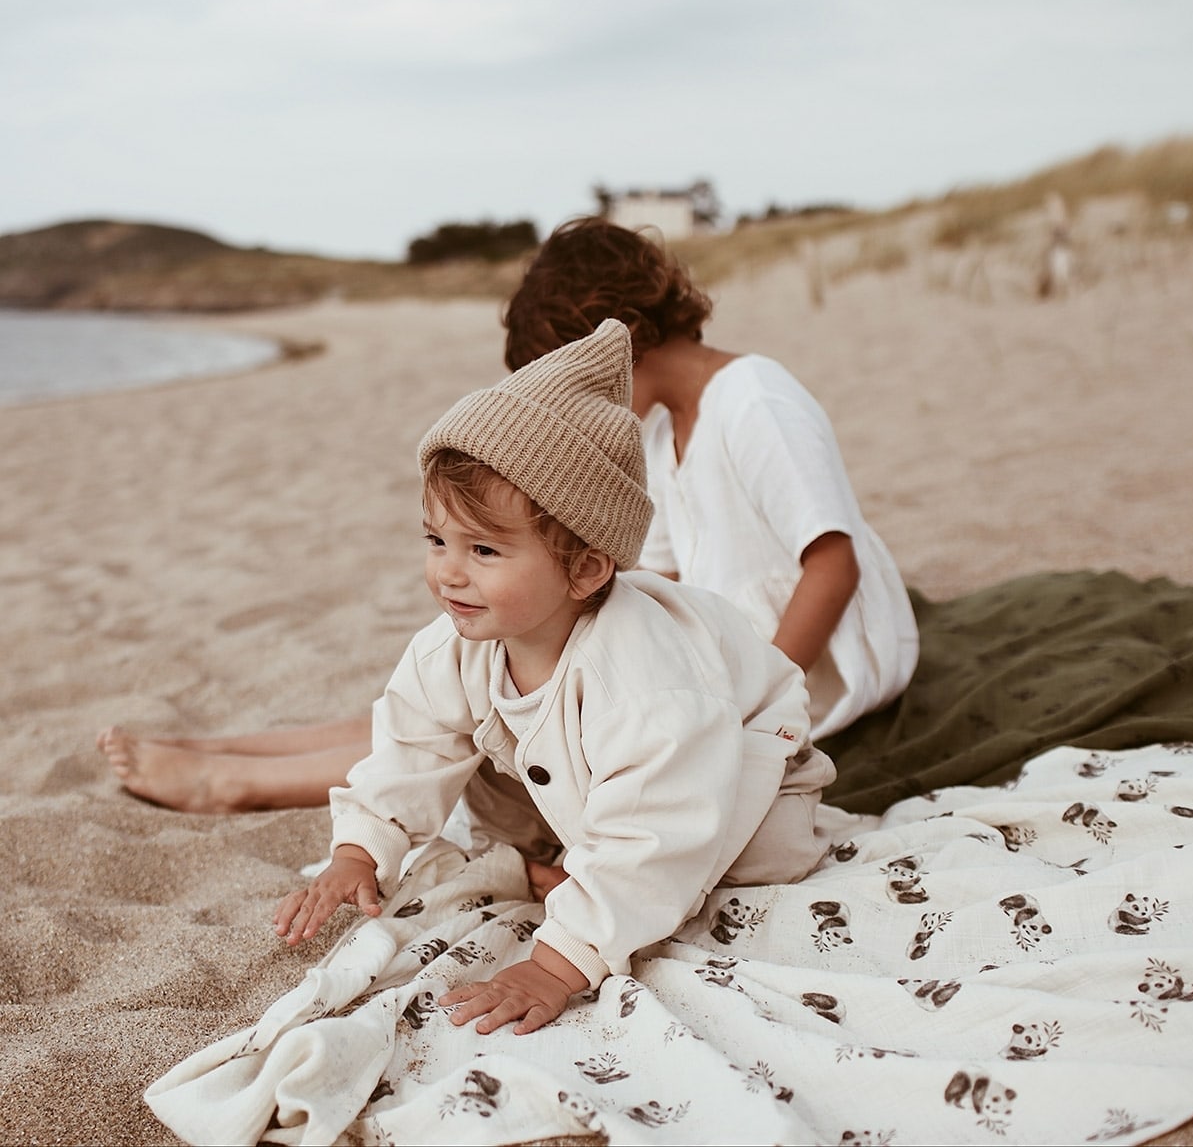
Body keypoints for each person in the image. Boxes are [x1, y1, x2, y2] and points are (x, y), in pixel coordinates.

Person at [97, 216, 915, 810]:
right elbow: (653, 571)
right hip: (714, 654)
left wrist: (753, 714)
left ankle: (234, 783)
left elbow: (832, 562)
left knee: (490, 730)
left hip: (791, 676)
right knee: (477, 683)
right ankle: (223, 750)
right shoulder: (661, 432)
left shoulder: (755, 398)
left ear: (617, 338)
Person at [273, 320, 835, 1036]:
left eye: (483, 549)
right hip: (576, 776)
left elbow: (655, 837)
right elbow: (411, 749)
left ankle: (584, 888)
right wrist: (360, 848)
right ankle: (565, 864)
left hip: (743, 767)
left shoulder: (645, 682)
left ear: (587, 568)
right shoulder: (458, 645)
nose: (449, 571)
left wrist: (557, 963)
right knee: (473, 763)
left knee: (738, 863)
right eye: (436, 540)